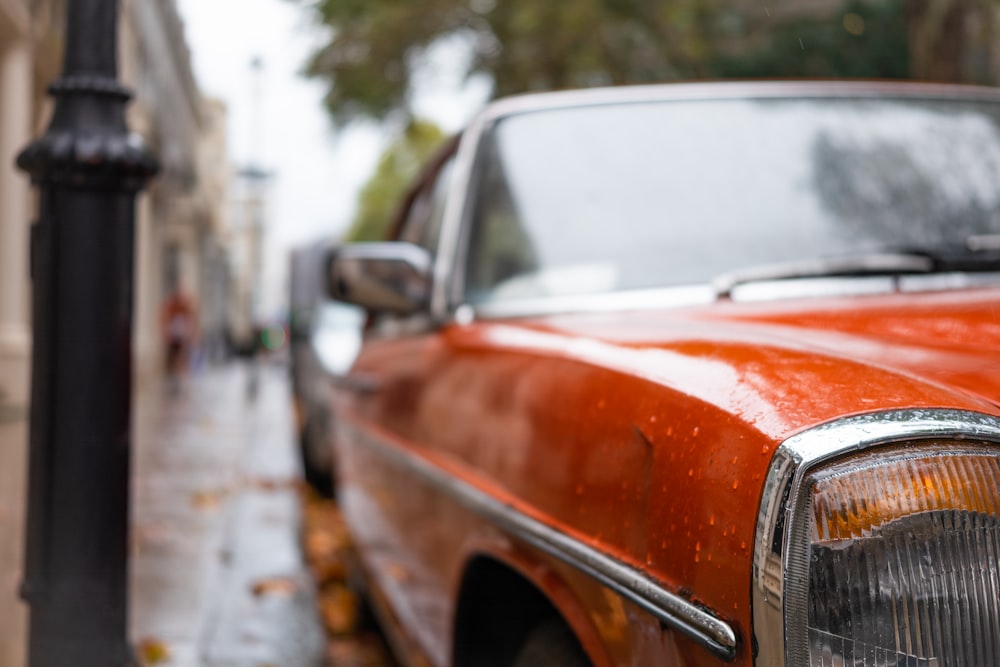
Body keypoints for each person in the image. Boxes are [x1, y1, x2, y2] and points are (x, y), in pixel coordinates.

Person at [161, 289, 198, 393]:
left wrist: (190, 336)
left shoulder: (185, 311)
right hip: (174, 339)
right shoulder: (172, 310)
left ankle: (179, 379)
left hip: (181, 339)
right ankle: (174, 379)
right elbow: (165, 321)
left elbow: (190, 323)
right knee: (173, 359)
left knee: (181, 359)